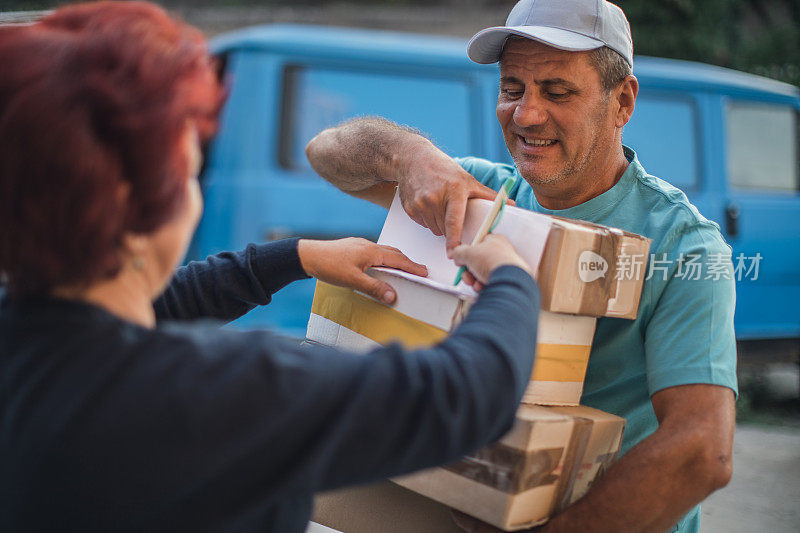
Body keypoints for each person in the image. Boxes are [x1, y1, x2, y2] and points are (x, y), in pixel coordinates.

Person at [0, 3, 542, 532]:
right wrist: (511, 280)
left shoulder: (29, 341)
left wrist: (297, 257)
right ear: (130, 209)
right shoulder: (220, 393)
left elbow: (160, 306)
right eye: (187, 174)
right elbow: (465, 396)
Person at [306, 0, 738, 531]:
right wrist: (409, 153)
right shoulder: (478, 195)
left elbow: (701, 452)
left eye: (557, 92)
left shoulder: (685, 248)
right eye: (512, 89)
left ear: (622, 101)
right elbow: (324, 152)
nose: (527, 114)